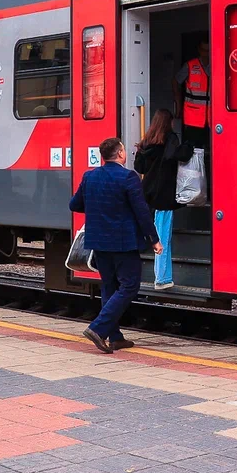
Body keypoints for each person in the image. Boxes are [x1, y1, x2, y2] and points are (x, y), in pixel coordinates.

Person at [68, 137, 162, 353]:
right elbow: (142, 212)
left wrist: (99, 209)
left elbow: (75, 205)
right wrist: (154, 239)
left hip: (99, 242)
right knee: (129, 286)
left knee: (110, 286)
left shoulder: (90, 176)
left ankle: (115, 337)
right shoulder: (128, 177)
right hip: (123, 243)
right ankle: (98, 329)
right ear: (120, 153)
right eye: (123, 150)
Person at [134, 109, 193, 291]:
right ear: (168, 123)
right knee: (162, 238)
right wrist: (190, 144)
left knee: (147, 234)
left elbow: (139, 167)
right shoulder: (170, 139)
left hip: (147, 195)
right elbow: (179, 155)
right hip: (163, 197)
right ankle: (162, 278)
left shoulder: (146, 142)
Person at [174, 38, 211, 151]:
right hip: (193, 116)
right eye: (204, 50)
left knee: (210, 148)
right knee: (192, 149)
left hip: (212, 116)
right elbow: (175, 82)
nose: (206, 53)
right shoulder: (190, 65)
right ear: (199, 50)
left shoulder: (217, 65)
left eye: (208, 50)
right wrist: (178, 103)